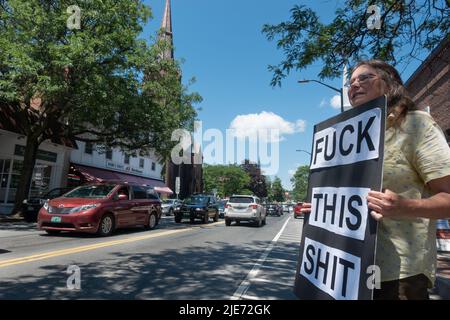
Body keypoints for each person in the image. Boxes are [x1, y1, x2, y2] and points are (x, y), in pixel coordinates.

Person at [301, 59, 450, 300]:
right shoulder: (345, 140)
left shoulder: (416, 124)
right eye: (351, 82)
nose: (355, 85)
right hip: (347, 268)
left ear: (390, 84)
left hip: (398, 275)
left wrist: (404, 206)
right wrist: (320, 211)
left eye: (365, 78)